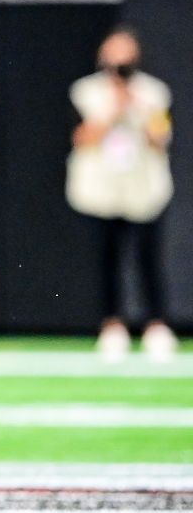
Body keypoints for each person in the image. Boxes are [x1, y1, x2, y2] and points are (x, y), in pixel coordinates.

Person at [67, 28, 177, 362]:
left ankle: (156, 326)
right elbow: (82, 138)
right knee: (107, 259)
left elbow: (161, 138)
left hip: (142, 188)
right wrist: (112, 109)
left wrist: (138, 109)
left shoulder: (153, 93)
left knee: (149, 258)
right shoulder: (86, 91)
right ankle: (112, 325)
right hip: (102, 189)